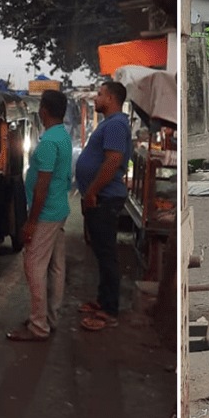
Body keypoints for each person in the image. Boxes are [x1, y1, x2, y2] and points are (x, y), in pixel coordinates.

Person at [7, 90, 73, 342]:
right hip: (59, 209)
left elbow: (42, 185)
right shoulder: (62, 137)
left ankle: (38, 325)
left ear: (44, 110)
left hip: (46, 212)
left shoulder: (48, 142)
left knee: (34, 264)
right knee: (55, 265)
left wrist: (31, 221)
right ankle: (49, 317)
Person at [74, 81, 133, 331]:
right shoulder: (111, 124)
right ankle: (102, 300)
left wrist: (93, 192)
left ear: (110, 98)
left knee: (107, 254)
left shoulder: (117, 124)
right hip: (100, 196)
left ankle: (110, 310)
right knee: (100, 252)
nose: (95, 99)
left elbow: (113, 161)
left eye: (99, 95)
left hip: (105, 197)